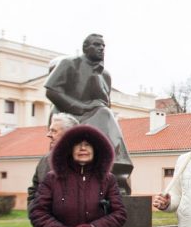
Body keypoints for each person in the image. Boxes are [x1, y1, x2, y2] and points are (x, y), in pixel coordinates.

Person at [44, 33, 133, 193]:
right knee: (104, 114)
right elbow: (51, 91)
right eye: (96, 45)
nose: (101, 49)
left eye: (103, 46)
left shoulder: (105, 75)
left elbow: (106, 103)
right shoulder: (69, 63)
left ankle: (116, 174)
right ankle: (115, 172)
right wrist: (80, 107)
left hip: (96, 116)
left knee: (106, 114)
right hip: (68, 114)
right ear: (86, 48)